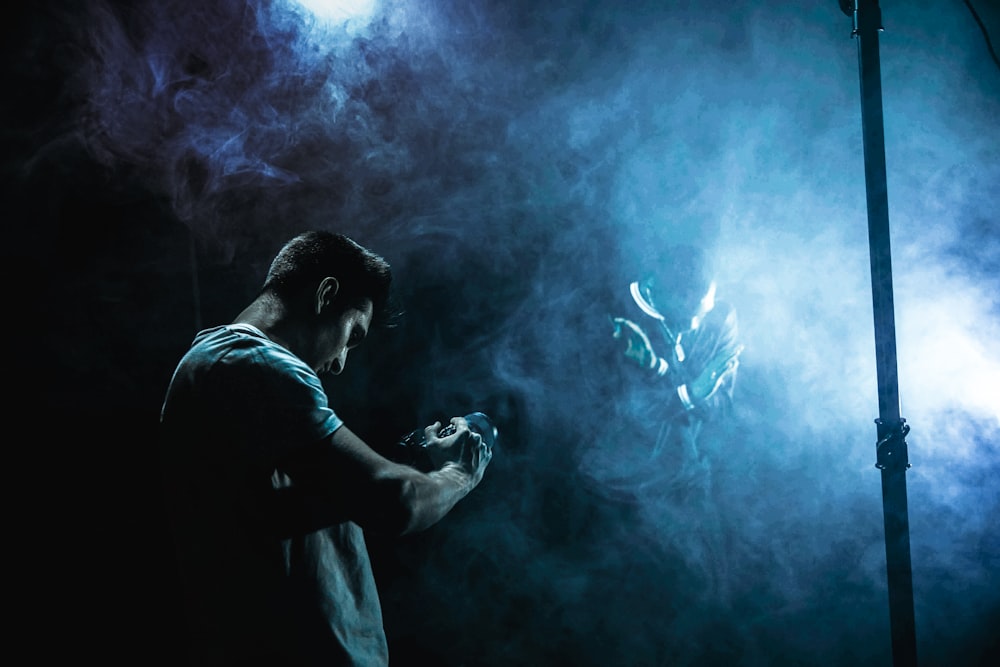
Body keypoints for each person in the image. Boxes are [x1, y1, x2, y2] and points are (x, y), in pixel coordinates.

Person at [158, 230, 493, 666]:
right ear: (326, 294)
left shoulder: (223, 368)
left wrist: (412, 462)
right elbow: (396, 503)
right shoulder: (251, 362)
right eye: (353, 335)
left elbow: (281, 512)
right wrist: (458, 474)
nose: (339, 363)